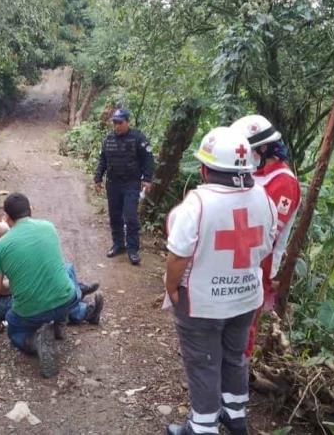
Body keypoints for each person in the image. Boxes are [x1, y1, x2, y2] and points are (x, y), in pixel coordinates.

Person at [164, 127, 277, 435]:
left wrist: (171, 287)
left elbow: (178, 256)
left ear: (204, 168)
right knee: (235, 356)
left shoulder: (198, 204)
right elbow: (267, 245)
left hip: (202, 303)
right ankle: (235, 413)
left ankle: (202, 428)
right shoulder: (264, 198)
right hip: (244, 298)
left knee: (203, 362)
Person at [0, 193, 104, 378]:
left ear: (7, 218)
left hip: (32, 313)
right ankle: (72, 313)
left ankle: (34, 341)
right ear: (31, 210)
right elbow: (28, 239)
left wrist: (13, 286)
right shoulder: (48, 227)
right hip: (66, 301)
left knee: (13, 325)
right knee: (66, 270)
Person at [230, 115, 301, 357]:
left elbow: (266, 233)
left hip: (259, 263)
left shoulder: (283, 182)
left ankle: (238, 378)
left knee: (244, 325)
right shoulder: (254, 172)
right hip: (233, 257)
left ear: (262, 148)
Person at [94, 108, 155, 265]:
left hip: (131, 183)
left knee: (130, 216)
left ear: (127, 122)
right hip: (113, 183)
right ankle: (118, 244)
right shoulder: (108, 139)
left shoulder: (138, 138)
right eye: (114, 122)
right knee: (115, 216)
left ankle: (133, 249)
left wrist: (147, 179)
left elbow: (148, 159)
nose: (117, 126)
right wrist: (98, 178)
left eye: (120, 122)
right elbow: (103, 160)